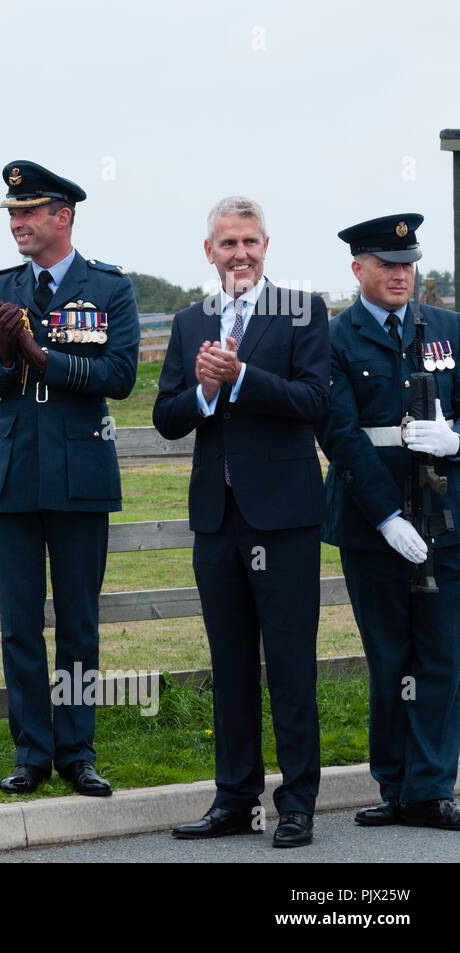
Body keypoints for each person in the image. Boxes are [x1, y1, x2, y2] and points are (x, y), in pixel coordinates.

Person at [153, 197, 329, 848]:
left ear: (266, 246)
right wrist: (203, 391)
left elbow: (313, 401)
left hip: (283, 519)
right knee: (229, 665)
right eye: (228, 244)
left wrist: (244, 376)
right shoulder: (188, 321)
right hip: (218, 519)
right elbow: (167, 416)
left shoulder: (303, 312)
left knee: (289, 664)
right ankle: (234, 797)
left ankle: (298, 803)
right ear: (209, 252)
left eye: (251, 242)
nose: (241, 254)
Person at [0, 160, 139, 798]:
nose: (16, 223)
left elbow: (120, 377)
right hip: (13, 474)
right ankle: (30, 752)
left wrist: (44, 357)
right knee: (18, 623)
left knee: (78, 622)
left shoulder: (110, 287)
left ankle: (78, 750)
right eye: (12, 213)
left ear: (62, 216)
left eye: (27, 212)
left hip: (80, 474)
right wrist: (8, 357)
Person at [322, 213, 460, 831]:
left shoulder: (450, 330)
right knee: (389, 659)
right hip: (372, 527)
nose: (401, 275)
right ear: (359, 270)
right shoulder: (333, 339)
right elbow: (340, 435)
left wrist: (456, 439)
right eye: (387, 265)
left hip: (447, 521)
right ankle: (395, 785)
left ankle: (432, 789)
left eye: (407, 264)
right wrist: (384, 516)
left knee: (442, 656)